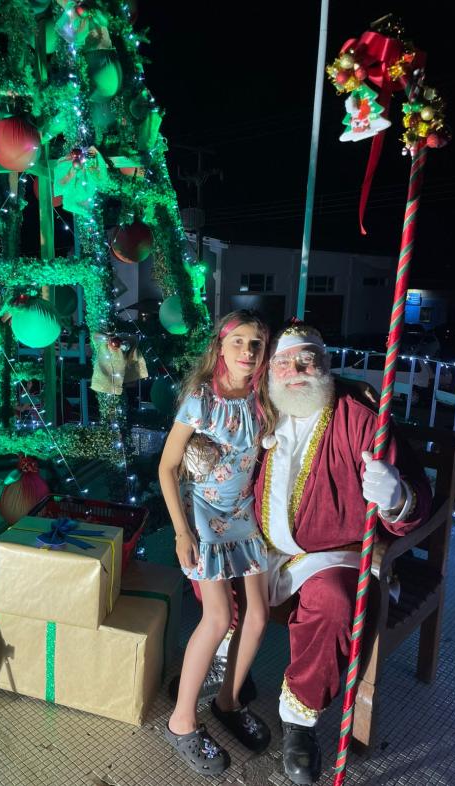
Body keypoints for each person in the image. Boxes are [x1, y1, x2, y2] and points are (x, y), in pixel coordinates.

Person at [255, 321, 432, 785]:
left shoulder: (360, 419)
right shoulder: (261, 413)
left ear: (326, 365)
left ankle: (299, 719)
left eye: (306, 360)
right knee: (209, 571)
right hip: (261, 549)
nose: (295, 371)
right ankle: (225, 675)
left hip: (330, 555)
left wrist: (396, 496)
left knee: (335, 600)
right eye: (283, 363)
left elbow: (418, 498)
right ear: (270, 372)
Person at [159, 310, 275, 776]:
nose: (248, 351)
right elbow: (167, 466)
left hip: (242, 514)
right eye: (238, 341)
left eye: (256, 344)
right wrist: (181, 530)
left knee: (259, 615)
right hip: (204, 514)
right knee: (219, 617)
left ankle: (227, 700)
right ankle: (181, 721)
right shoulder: (201, 400)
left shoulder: (263, 397)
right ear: (220, 347)